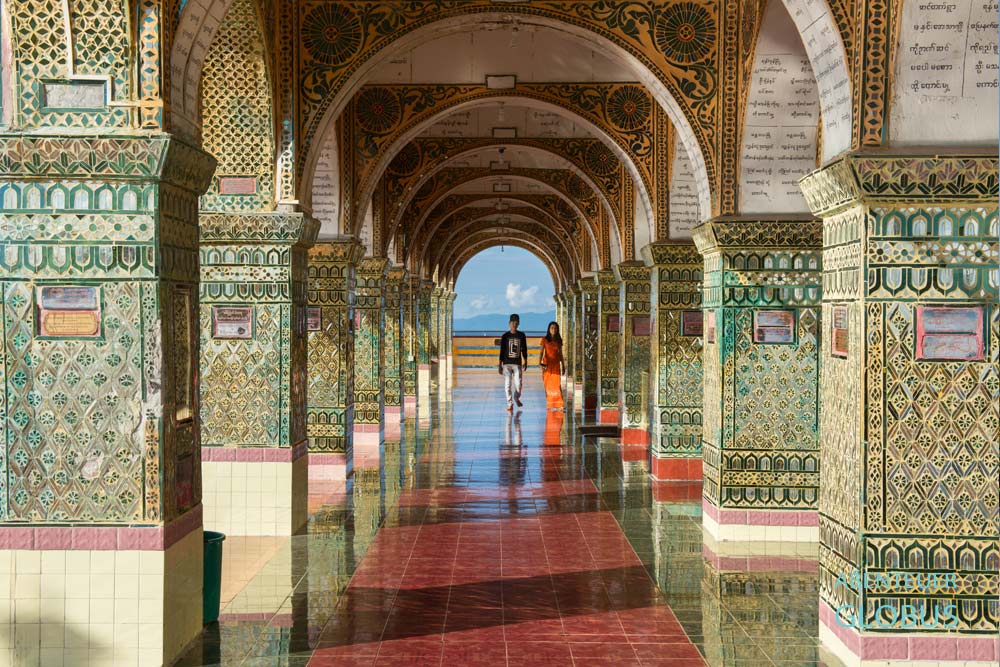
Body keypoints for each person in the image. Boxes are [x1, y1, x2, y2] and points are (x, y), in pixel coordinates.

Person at [498, 313, 528, 411]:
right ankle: (509, 403)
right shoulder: (505, 336)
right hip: (506, 363)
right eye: (512, 323)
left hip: (517, 363)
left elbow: (524, 349)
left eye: (516, 323)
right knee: (507, 384)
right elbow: (502, 351)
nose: (514, 324)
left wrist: (526, 360)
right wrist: (500, 365)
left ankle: (516, 397)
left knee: (518, 384)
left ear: (518, 323)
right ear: (509, 323)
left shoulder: (521, 335)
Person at [538, 321, 565, 411]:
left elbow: (560, 354)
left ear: (557, 330)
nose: (553, 329)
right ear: (549, 329)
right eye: (552, 328)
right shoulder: (544, 340)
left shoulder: (558, 341)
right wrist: (539, 363)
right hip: (547, 365)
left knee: (557, 384)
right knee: (548, 385)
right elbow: (541, 352)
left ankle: (560, 404)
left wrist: (563, 366)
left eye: (555, 328)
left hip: (556, 364)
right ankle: (550, 404)